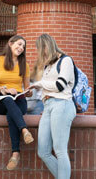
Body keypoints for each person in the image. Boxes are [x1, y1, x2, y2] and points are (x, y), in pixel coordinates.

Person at [30, 34, 76, 179]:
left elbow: (60, 85)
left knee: (60, 150)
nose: (40, 53)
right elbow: (48, 87)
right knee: (43, 151)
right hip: (48, 106)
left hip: (62, 104)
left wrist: (41, 84)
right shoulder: (48, 66)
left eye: (40, 49)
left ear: (47, 46)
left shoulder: (66, 60)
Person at [0, 35, 33, 171]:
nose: (21, 48)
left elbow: (27, 87)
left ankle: (15, 153)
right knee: (7, 101)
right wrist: (3, 89)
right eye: (18, 44)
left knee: (12, 114)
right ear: (10, 44)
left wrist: (29, 92)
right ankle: (24, 130)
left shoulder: (25, 65)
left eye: (23, 46)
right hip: (1, 99)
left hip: (19, 99)